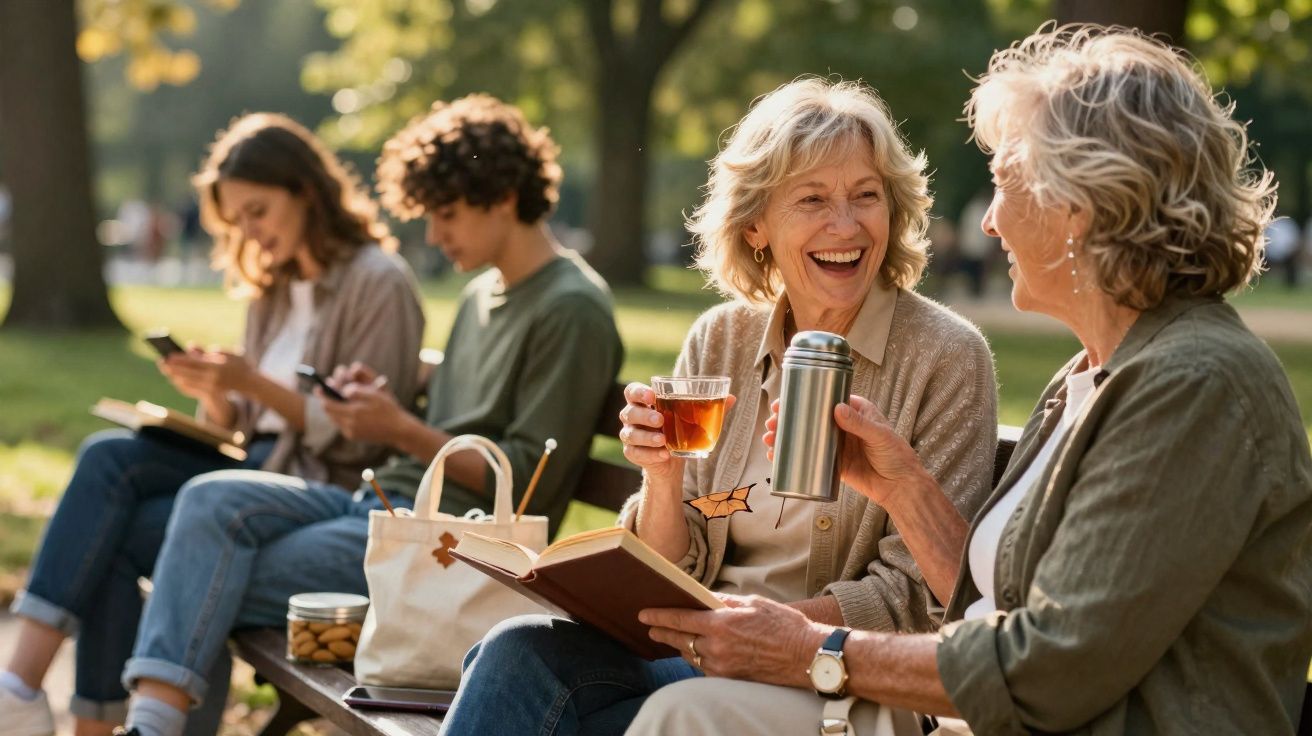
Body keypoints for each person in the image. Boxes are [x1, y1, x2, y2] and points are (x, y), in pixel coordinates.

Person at [626, 25, 1312, 735]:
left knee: (680, 715)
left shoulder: (1193, 386)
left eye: (1007, 184)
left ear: (1082, 205)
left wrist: (813, 650)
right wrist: (903, 489)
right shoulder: (1093, 376)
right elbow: (1002, 607)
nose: (988, 223)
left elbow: (1049, 670)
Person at [438, 78, 1000, 736]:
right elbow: (677, 559)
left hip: (834, 678)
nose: (846, 226)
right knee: (515, 655)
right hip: (702, 652)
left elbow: (921, 596)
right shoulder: (721, 338)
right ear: (757, 225)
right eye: (813, 200)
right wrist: (663, 478)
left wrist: (765, 633)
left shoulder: (947, 358)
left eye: (866, 197)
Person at [108, 94, 624, 736]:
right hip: (379, 507)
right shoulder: (479, 295)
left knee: (197, 571)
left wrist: (398, 426)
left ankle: (150, 728)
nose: (432, 238)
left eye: (447, 216)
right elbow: (450, 410)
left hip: (447, 546)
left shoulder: (571, 309)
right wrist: (375, 397)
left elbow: (531, 482)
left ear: (503, 197)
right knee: (209, 500)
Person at [0, 112, 426, 736]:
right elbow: (242, 428)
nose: (250, 234)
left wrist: (251, 383)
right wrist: (219, 396)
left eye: (258, 211)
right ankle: (26, 688)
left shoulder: (378, 283)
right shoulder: (273, 287)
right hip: (251, 467)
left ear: (305, 191)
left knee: (116, 530)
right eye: (237, 221)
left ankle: (49, 707)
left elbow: (362, 434)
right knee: (105, 456)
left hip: (319, 488)